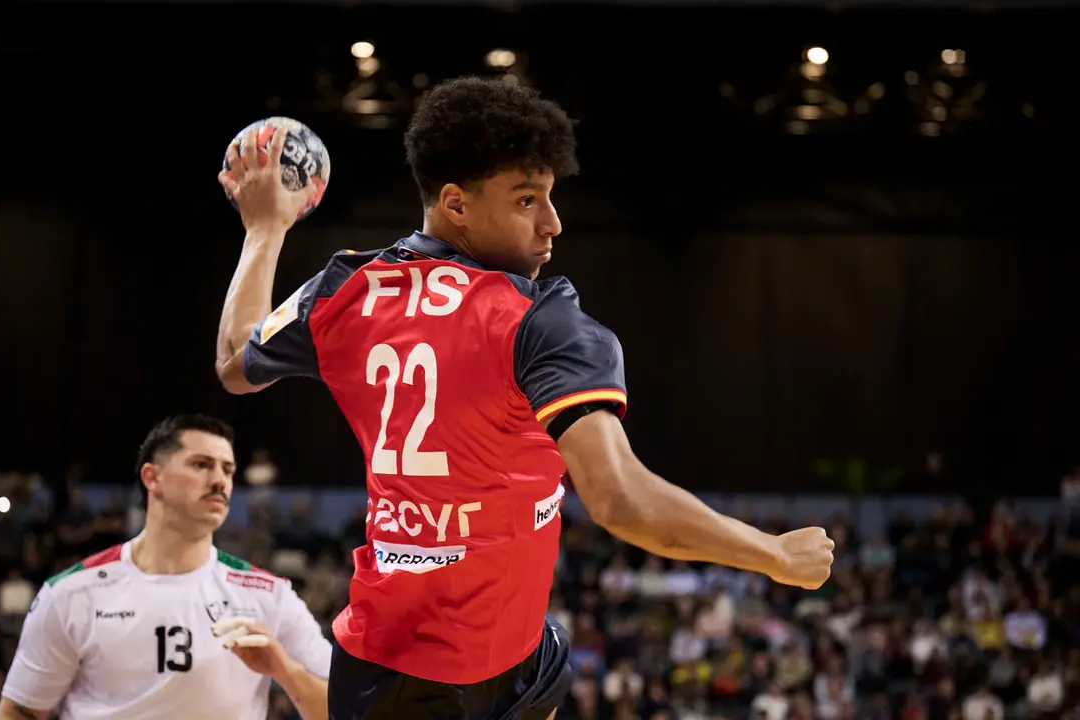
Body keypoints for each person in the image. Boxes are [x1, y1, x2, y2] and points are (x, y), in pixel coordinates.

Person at [213, 77, 835, 720]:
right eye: (526, 200)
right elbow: (620, 500)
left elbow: (235, 363)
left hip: (430, 664)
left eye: (549, 197)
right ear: (456, 204)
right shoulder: (539, 319)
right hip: (446, 678)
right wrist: (775, 555)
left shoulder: (346, 289)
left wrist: (264, 230)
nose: (552, 223)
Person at [0, 414, 331, 720]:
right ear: (152, 477)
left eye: (227, 470)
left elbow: (343, 711)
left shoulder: (269, 595)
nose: (219, 481)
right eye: (201, 465)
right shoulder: (71, 593)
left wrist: (285, 670)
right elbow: (20, 711)